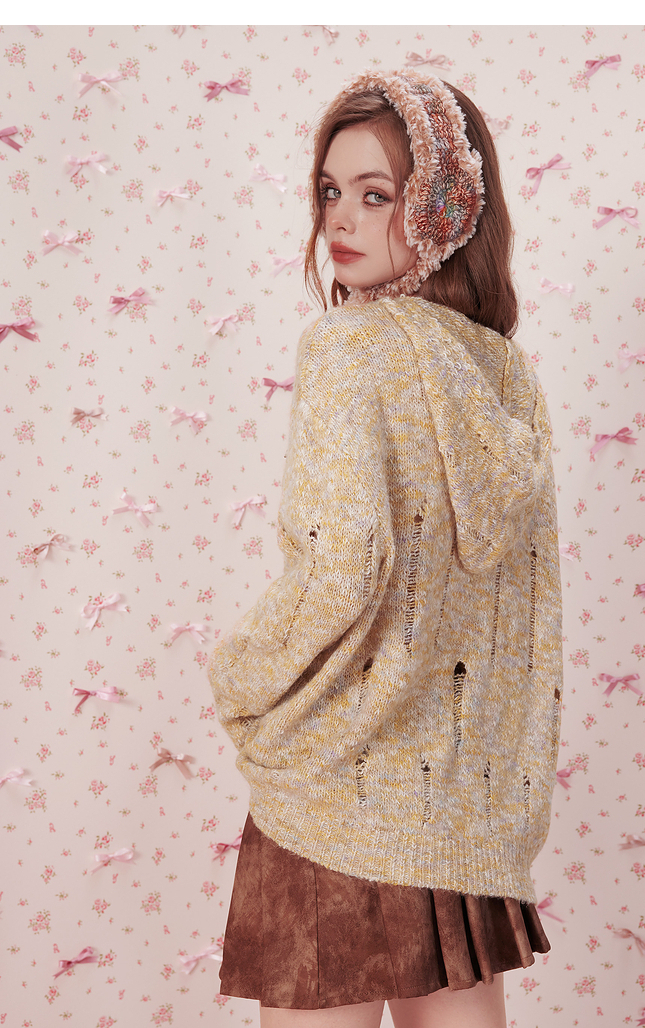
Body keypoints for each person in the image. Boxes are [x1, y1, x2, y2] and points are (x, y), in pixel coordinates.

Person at [208, 67, 563, 1028]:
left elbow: (344, 564)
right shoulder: (504, 377)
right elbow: (526, 616)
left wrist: (240, 676)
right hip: (464, 811)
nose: (340, 218)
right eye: (331, 190)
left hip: (338, 793)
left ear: (446, 206)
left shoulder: (349, 347)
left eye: (377, 194)